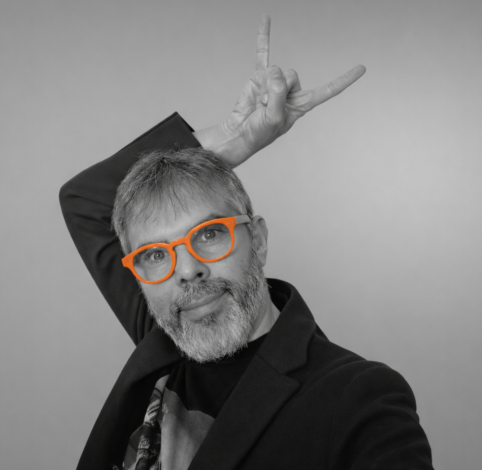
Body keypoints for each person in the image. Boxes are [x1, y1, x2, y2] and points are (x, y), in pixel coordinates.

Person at [60, 15, 433, 470]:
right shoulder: (167, 337)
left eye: (209, 234)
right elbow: (85, 201)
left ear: (256, 239)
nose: (187, 270)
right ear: (139, 273)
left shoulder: (359, 398)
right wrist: (232, 139)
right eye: (156, 254)